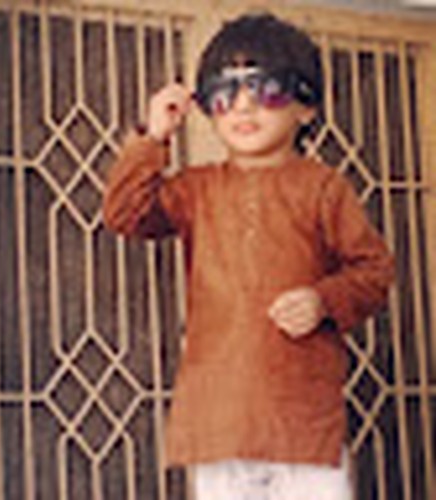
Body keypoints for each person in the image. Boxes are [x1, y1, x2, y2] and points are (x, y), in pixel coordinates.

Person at [103, 12, 394, 500]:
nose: (242, 105)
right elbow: (125, 214)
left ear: (306, 107)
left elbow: (375, 270)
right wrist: (154, 137)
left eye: (266, 88)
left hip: (302, 421)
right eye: (224, 93)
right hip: (218, 420)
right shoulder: (197, 190)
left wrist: (324, 299)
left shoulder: (323, 188)